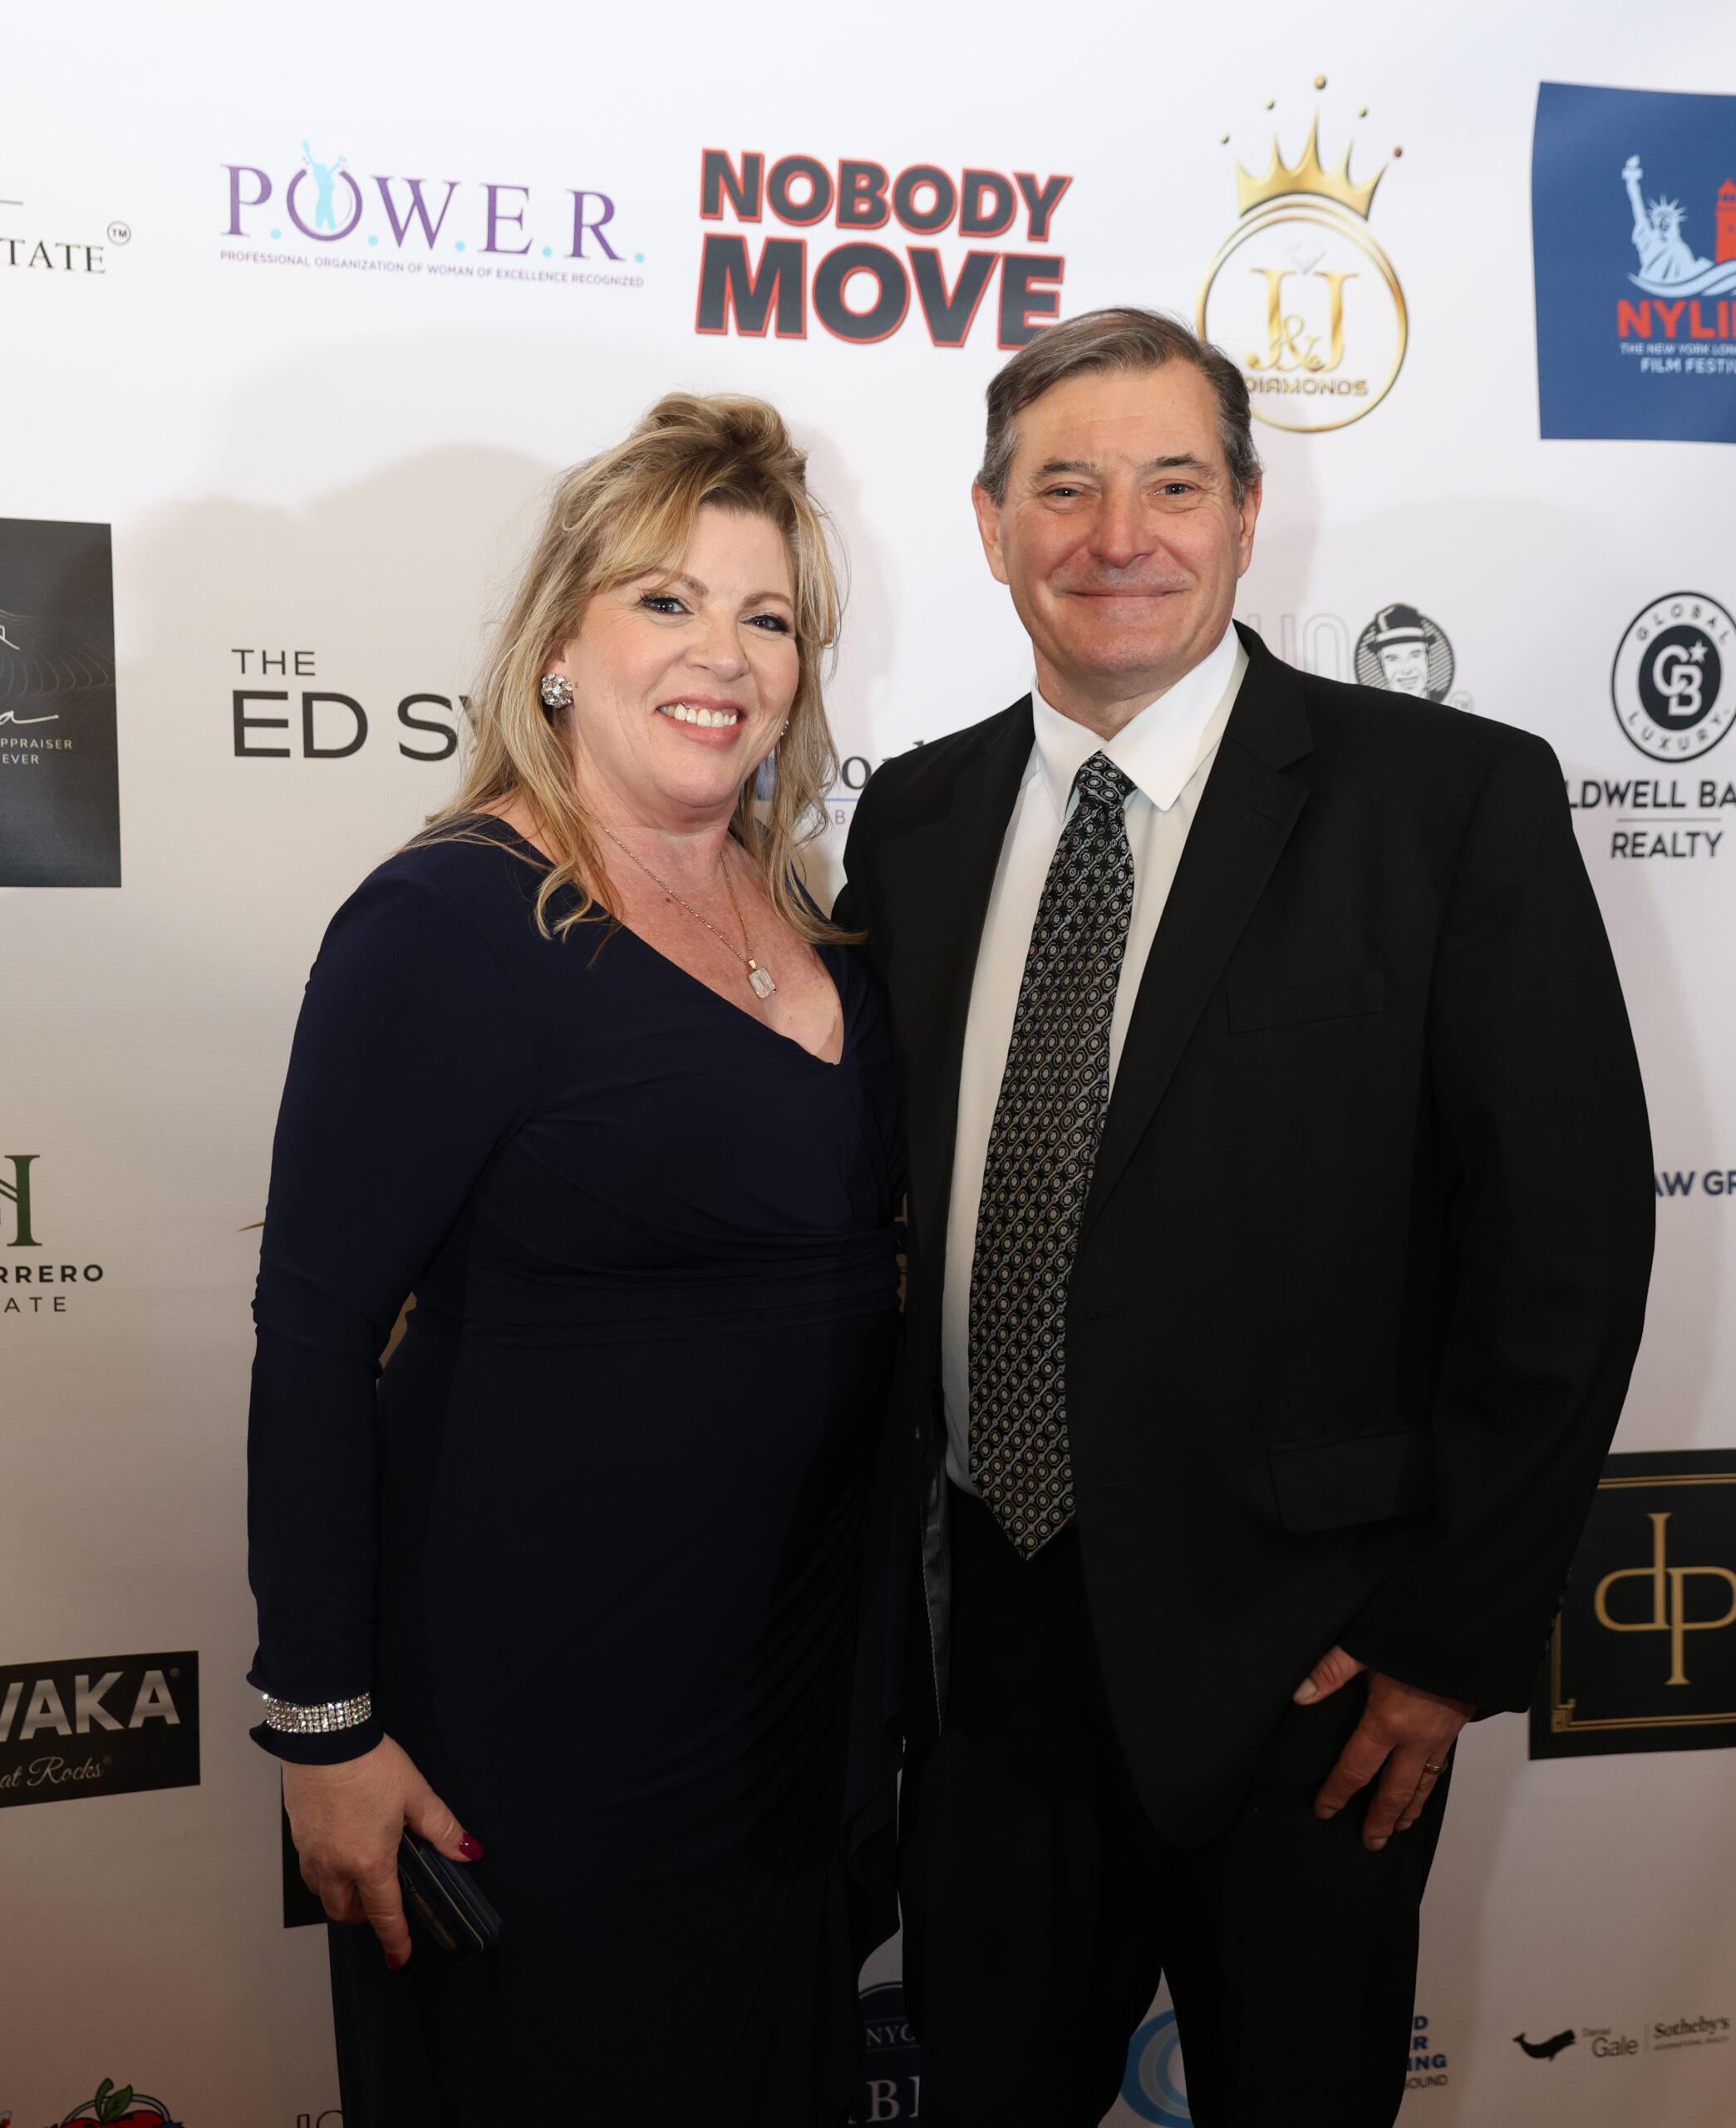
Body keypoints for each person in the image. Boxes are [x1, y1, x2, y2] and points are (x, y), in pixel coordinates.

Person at [834, 308, 1655, 2128]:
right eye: (1065, 487)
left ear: (1248, 514)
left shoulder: (1448, 802)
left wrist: (1448, 1636)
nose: (1118, 536)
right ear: (989, 523)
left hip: (1310, 1672)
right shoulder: (914, 817)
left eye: (1173, 484)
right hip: (985, 1667)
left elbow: (1569, 1248)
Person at [248, 393, 905, 2127]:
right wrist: (322, 1723)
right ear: (556, 645)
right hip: (527, 1727)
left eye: (767, 616)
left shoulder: (823, 925)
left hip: (783, 1710)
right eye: (664, 599)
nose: (722, 654)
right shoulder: (447, 923)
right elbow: (311, 1339)